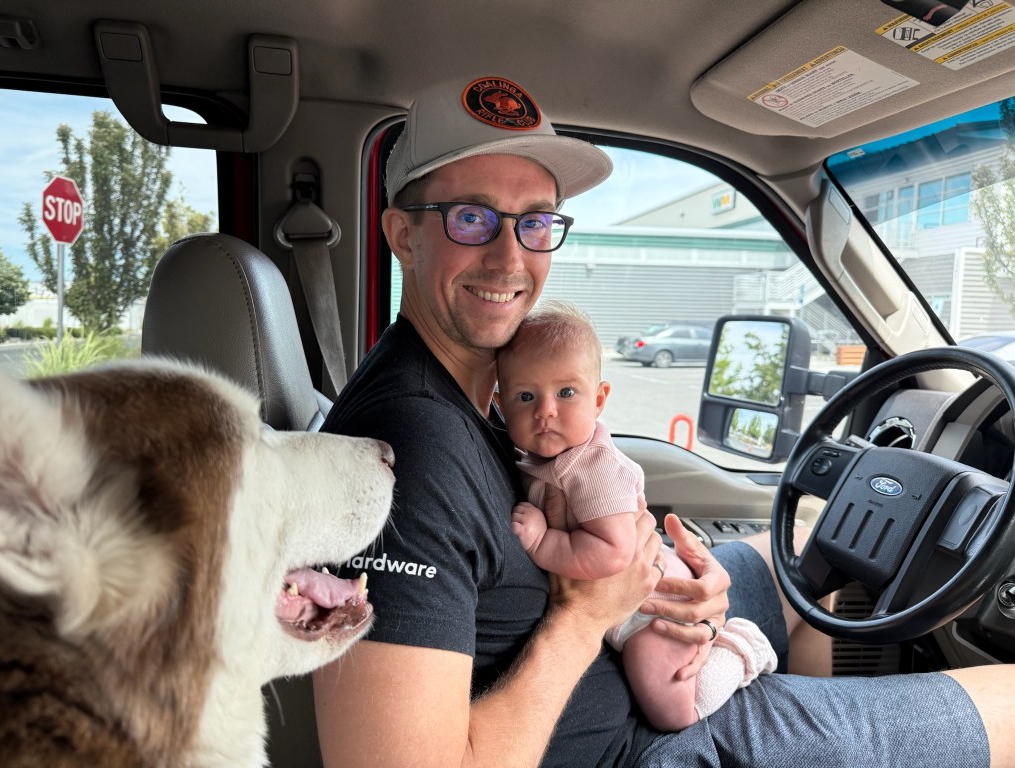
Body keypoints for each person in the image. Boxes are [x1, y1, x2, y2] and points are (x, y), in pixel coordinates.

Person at [316, 74, 1013, 767]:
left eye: (535, 222)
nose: (510, 258)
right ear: (402, 235)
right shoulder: (409, 451)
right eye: (471, 218)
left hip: (629, 650)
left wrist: (668, 572)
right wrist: (586, 615)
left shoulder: (490, 388)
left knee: (805, 548)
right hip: (638, 746)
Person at [495, 298, 776, 731]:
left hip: (652, 610)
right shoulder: (541, 459)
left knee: (673, 713)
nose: (545, 410)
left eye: (566, 393)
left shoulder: (593, 469)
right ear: (501, 405)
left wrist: (541, 541)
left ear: (599, 399)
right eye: (526, 396)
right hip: (622, 606)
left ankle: (742, 653)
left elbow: (612, 553)